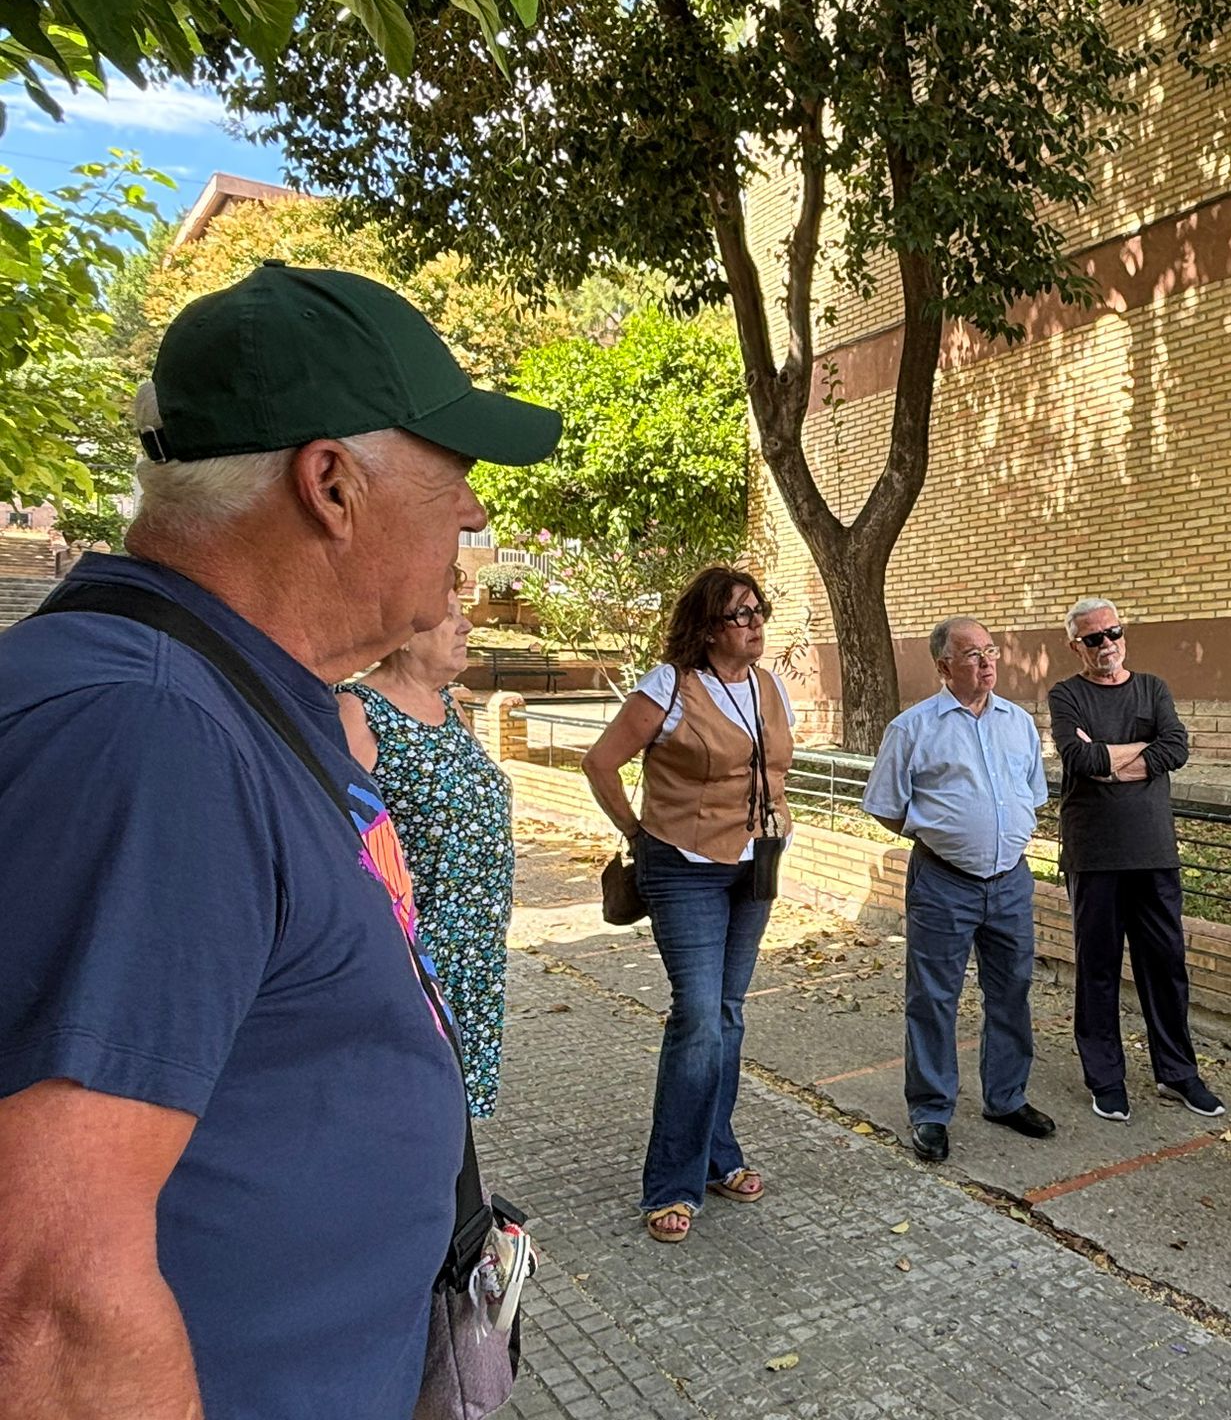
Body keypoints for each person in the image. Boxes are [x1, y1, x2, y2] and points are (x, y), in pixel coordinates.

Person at [0, 260, 560, 1419]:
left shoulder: (205, 694)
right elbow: (48, 1304)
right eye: (453, 473)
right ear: (331, 485)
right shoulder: (145, 733)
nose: (475, 513)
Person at [581, 565, 794, 1245]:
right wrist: (638, 835)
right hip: (684, 868)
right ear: (707, 628)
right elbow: (600, 762)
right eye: (741, 614)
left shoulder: (768, 685)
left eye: (759, 610)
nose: (757, 623)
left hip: (756, 862)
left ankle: (718, 1153)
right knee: (699, 1018)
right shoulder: (669, 686)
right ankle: (672, 1181)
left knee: (729, 1015)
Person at [862, 616, 1055, 1163]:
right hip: (944, 882)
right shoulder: (913, 728)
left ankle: (1006, 1097)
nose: (986, 662)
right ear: (944, 667)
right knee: (933, 999)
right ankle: (930, 1111)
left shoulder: (1017, 723)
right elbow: (886, 808)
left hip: (1011, 881)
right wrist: (944, 835)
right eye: (972, 655)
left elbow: (1031, 794)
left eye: (990, 651)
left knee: (1012, 992)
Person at [339, 584, 515, 1118]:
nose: (465, 627)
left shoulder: (449, 705)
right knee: (407, 1105)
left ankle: (457, 1197)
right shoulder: (358, 708)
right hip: (415, 957)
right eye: (450, 616)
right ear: (405, 634)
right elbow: (343, 840)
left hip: (477, 953)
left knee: (456, 1105)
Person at [1047, 597, 1220, 1122]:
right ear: (1076, 645)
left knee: (1165, 966)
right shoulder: (1065, 695)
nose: (1107, 645)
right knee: (1097, 969)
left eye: (1113, 633)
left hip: (1153, 852)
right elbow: (1078, 758)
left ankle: (1178, 1073)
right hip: (1095, 854)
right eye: (1094, 638)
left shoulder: (1152, 688)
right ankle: (1106, 1078)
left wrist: (1111, 758)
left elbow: (1176, 747)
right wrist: (1132, 751)